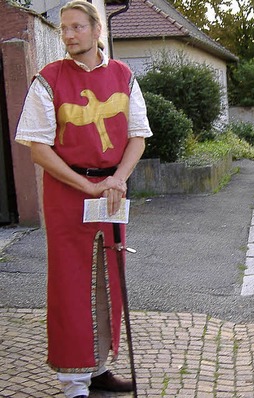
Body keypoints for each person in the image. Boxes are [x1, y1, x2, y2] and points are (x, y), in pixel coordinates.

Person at [14, 1, 152, 397]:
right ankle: (73, 382)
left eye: (77, 27)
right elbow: (39, 149)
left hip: (110, 193)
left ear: (96, 31)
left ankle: (98, 368)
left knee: (109, 277)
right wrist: (86, 184)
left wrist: (117, 179)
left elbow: (137, 136)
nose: (70, 35)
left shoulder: (123, 77)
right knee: (71, 282)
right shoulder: (49, 79)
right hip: (66, 194)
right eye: (64, 29)